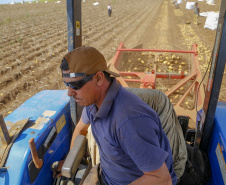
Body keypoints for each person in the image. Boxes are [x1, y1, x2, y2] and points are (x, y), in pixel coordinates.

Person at [60, 46, 177, 185]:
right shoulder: (92, 102)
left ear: (98, 78)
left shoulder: (129, 121)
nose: (69, 93)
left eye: (76, 85)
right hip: (105, 175)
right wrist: (70, 159)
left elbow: (162, 179)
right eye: (67, 84)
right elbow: (80, 129)